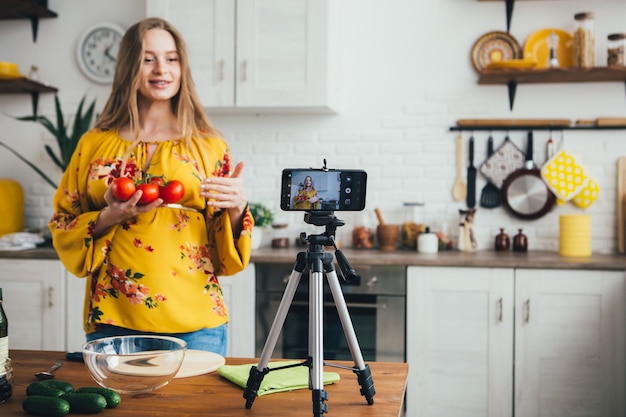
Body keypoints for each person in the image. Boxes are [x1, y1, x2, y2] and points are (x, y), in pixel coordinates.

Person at [48, 17, 253, 356]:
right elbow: (63, 221)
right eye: (148, 58)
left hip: (195, 321)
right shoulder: (94, 144)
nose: (162, 69)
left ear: (182, 67)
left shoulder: (208, 146)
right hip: (113, 318)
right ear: (130, 65)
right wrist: (109, 216)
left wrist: (236, 207)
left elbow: (225, 251)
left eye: (172, 59)